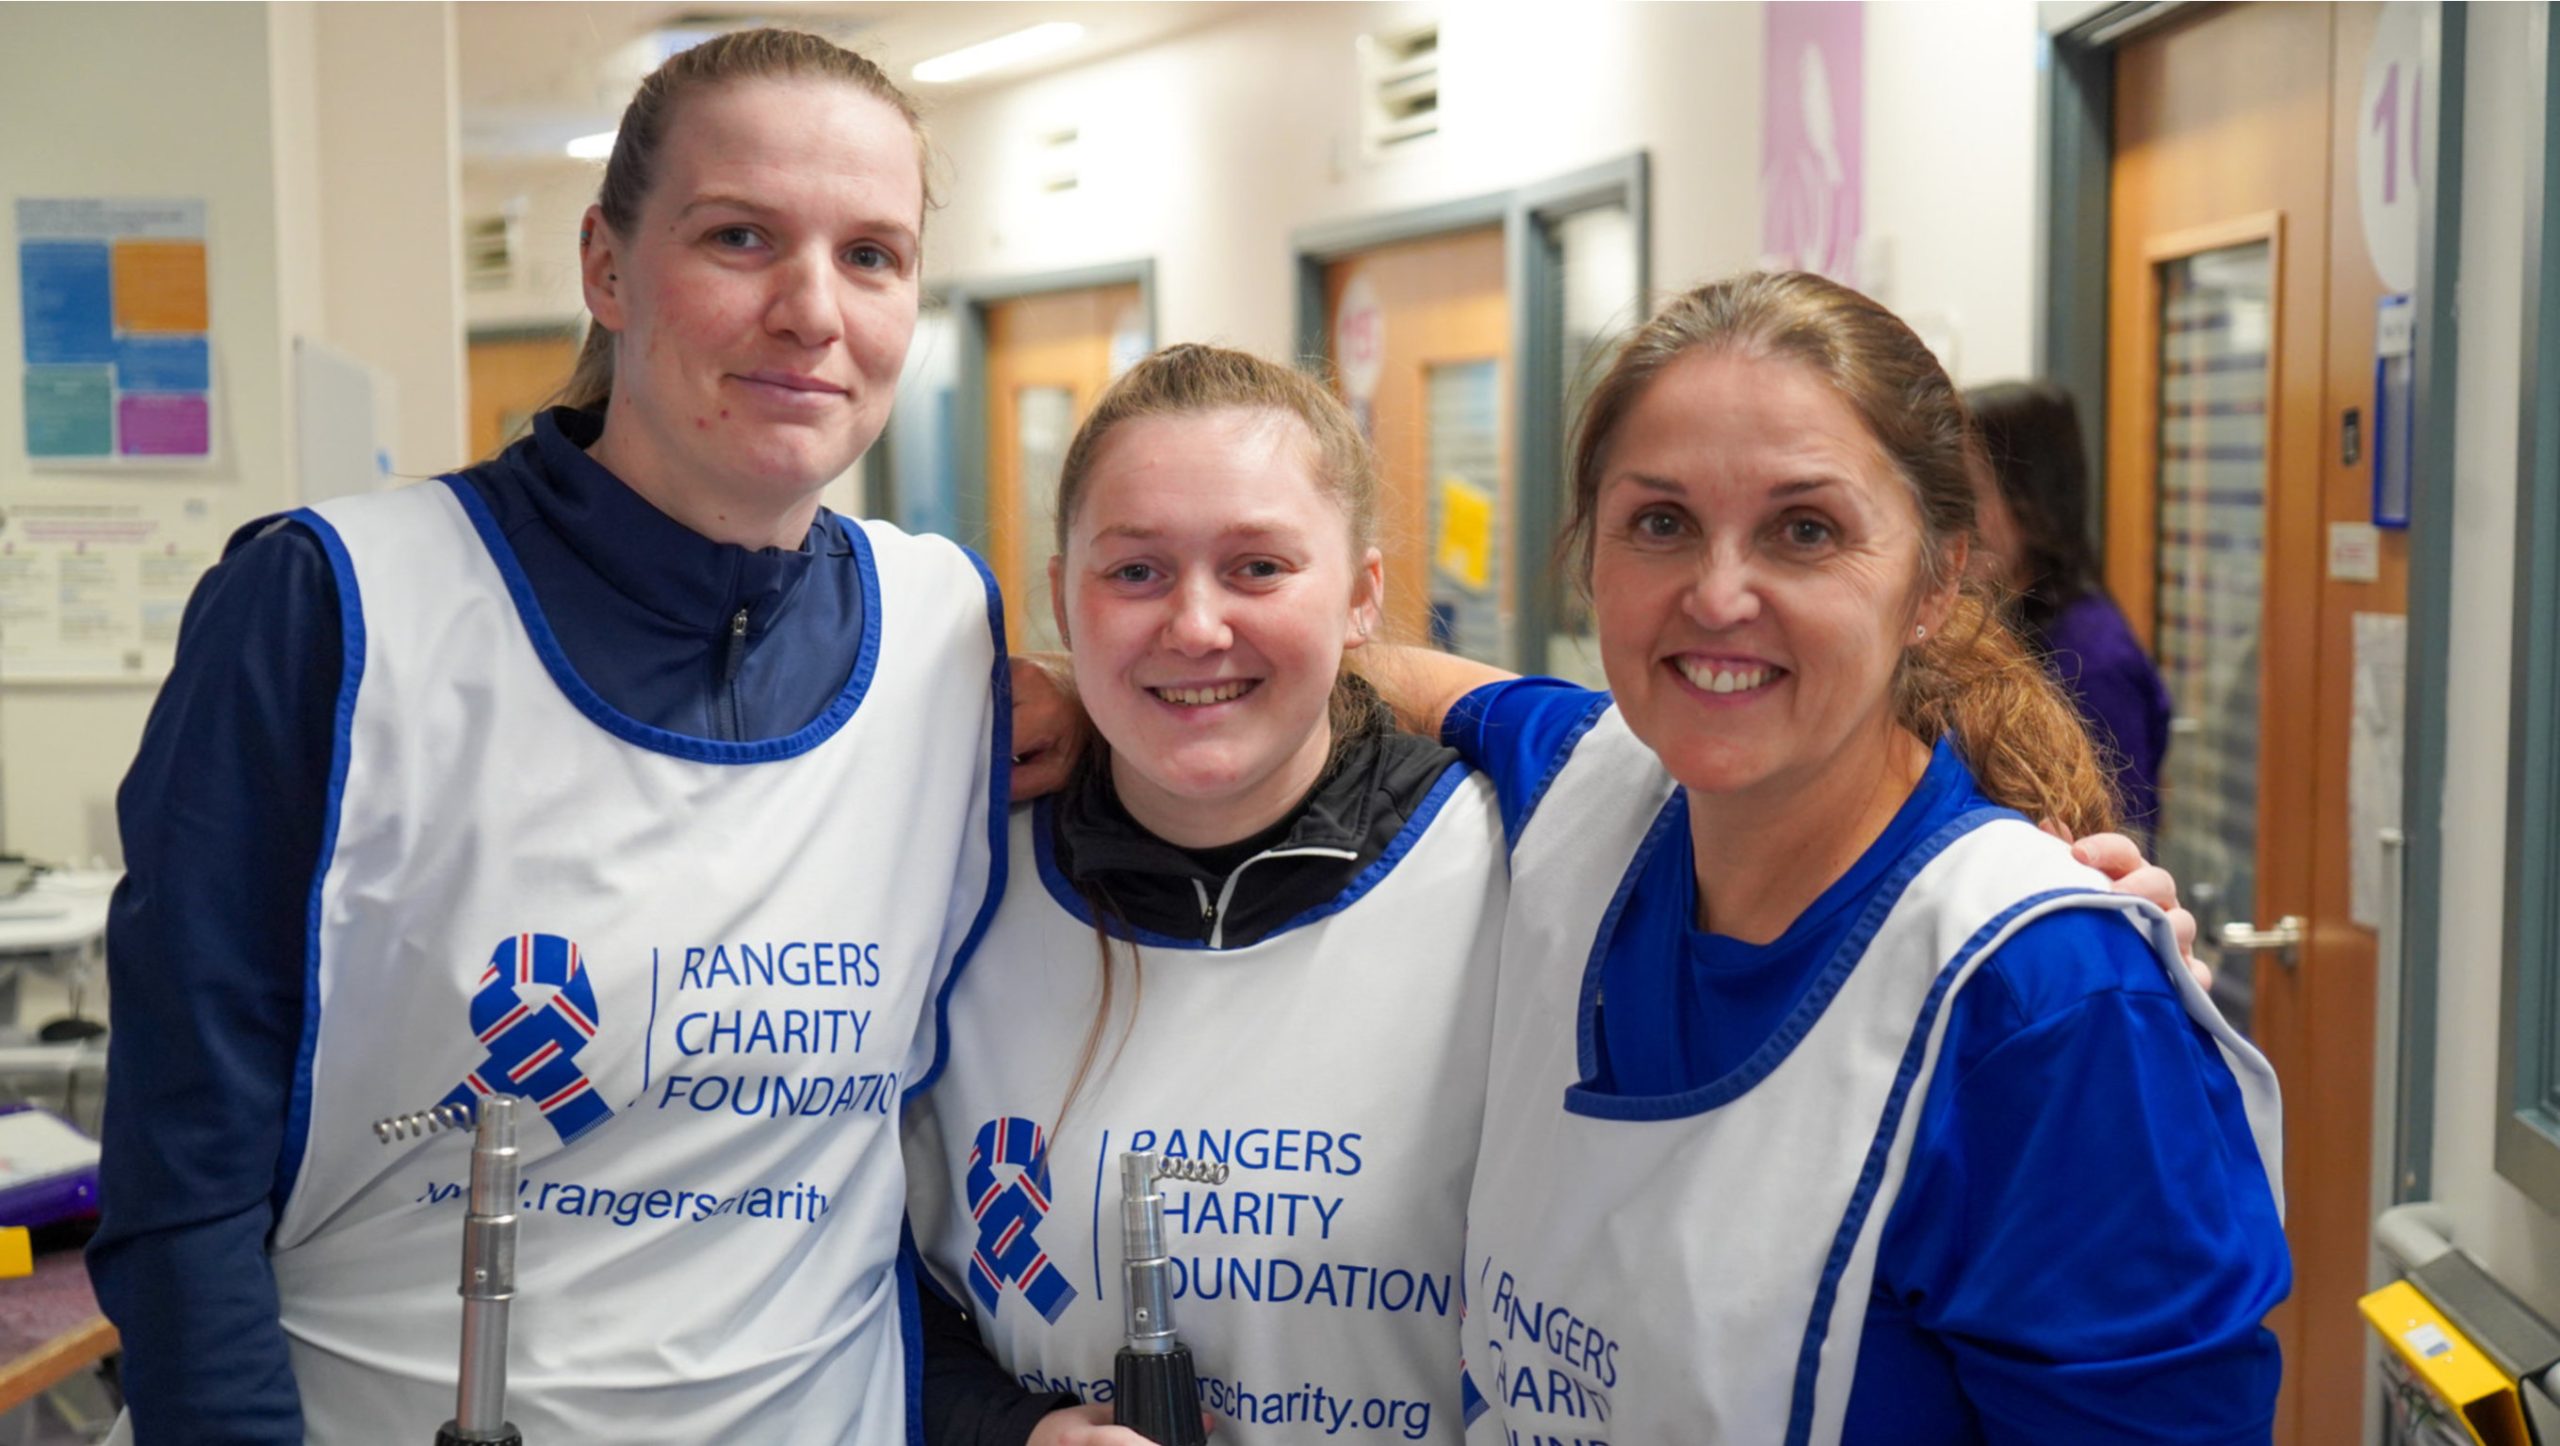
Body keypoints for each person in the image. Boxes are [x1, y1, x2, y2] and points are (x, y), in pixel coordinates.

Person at [90, 30, 1016, 1443]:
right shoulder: (335, 609)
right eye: (741, 237)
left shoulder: (949, 636)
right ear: (605, 267)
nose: (811, 309)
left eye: (874, 254)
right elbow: (181, 1183)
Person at [1397, 273, 2288, 1443]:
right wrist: (1082, 706)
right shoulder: (1587, 783)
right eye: (1659, 523)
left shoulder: (2049, 1011)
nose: (1717, 595)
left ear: (1934, 582)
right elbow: (1364, 674)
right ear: (1589, 556)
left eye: (1803, 530)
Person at [903, 344, 1508, 1446]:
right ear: (1059, 599)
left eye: (1258, 568)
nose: (1193, 626)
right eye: (1134, 572)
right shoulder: (961, 891)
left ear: (1362, 594)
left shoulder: (1501, 869)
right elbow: (860, 1295)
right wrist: (1013, 1433)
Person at [1966, 380, 2173, 834]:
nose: (1952, 520)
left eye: (1970, 493)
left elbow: (2115, 842)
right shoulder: (2006, 622)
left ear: (2031, 501)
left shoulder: (2092, 657)